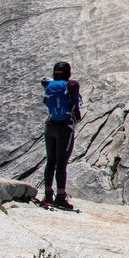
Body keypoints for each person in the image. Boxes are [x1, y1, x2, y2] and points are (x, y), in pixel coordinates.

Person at [39, 61, 82, 208]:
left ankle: (48, 194)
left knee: (50, 161)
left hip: (50, 127)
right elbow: (77, 107)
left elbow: (46, 102)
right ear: (68, 73)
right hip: (65, 128)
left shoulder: (49, 86)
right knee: (61, 164)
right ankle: (61, 197)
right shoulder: (71, 86)